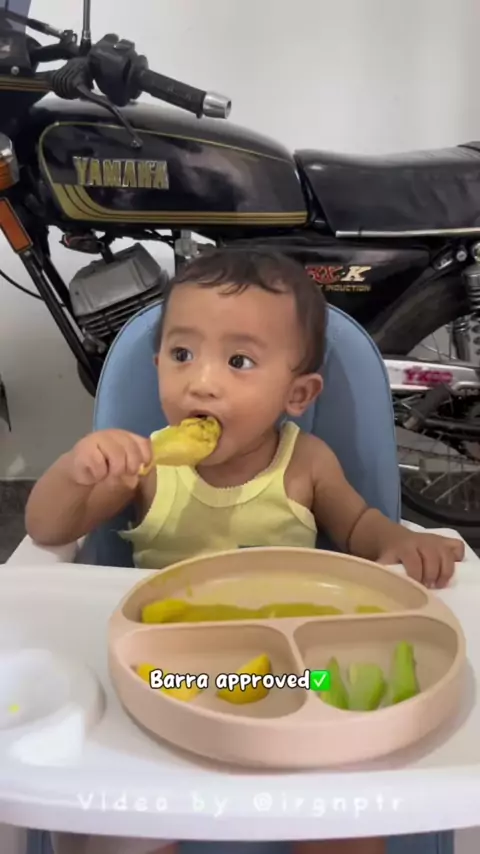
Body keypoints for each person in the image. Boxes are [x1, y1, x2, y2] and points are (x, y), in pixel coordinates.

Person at [26, 249, 464, 854]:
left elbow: (361, 528)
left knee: (348, 811)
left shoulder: (305, 464)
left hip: (295, 672)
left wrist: (398, 540)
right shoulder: (145, 468)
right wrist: (75, 472)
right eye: (182, 354)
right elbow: (49, 528)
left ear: (298, 393)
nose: (201, 381)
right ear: (157, 366)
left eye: (239, 361)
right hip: (169, 674)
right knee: (113, 817)